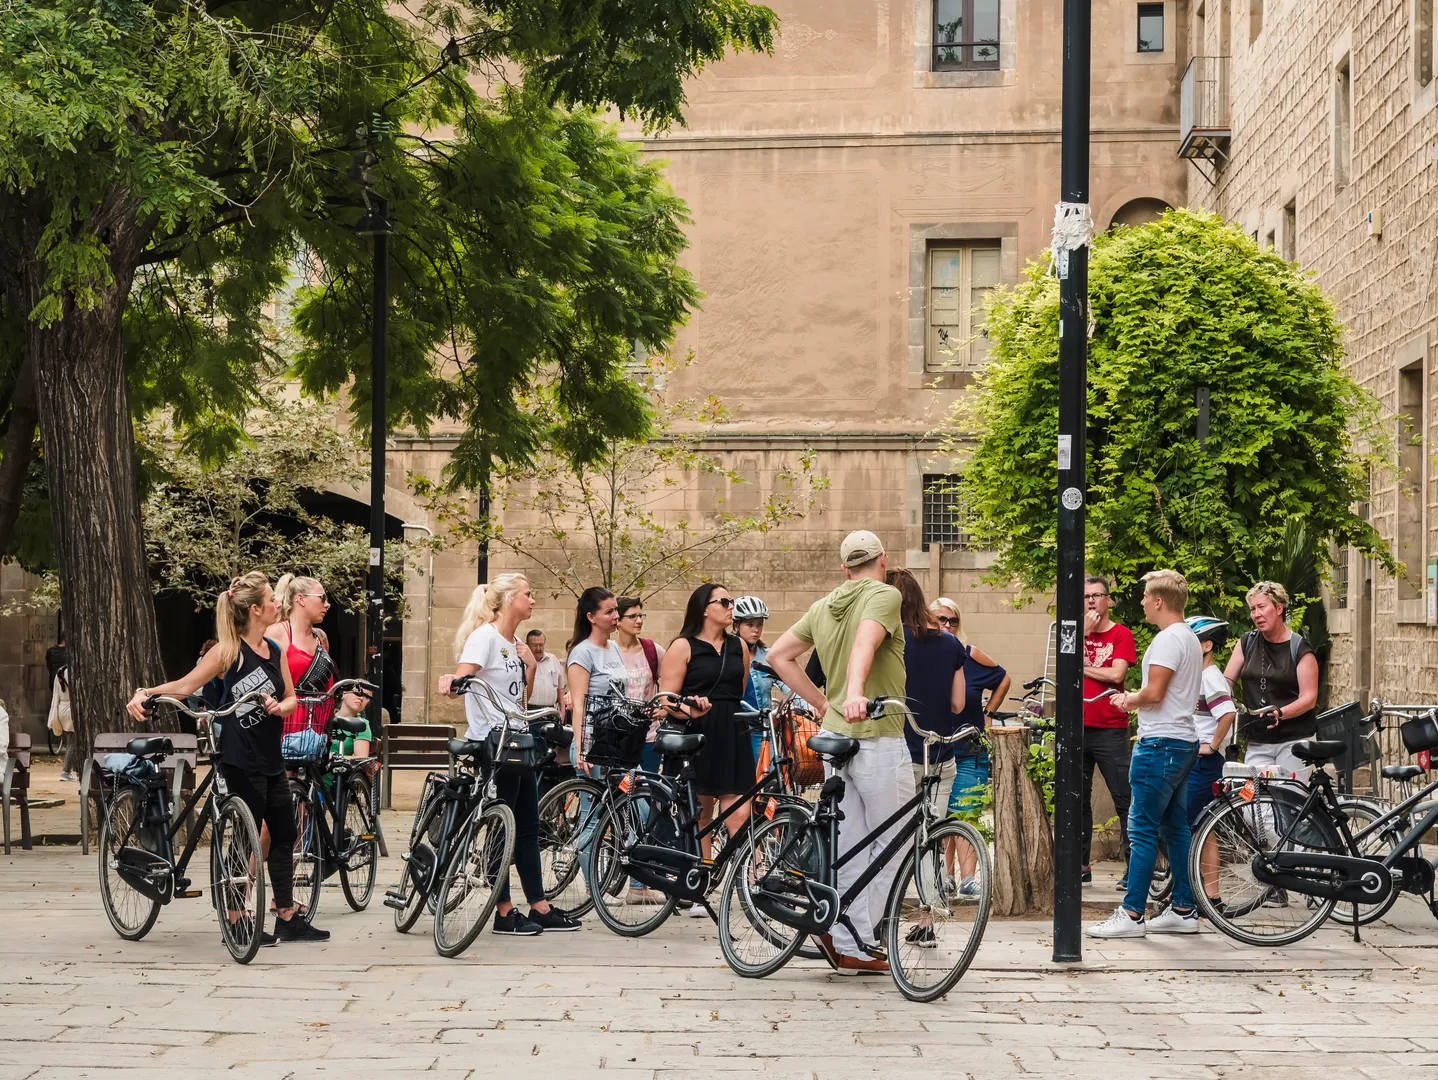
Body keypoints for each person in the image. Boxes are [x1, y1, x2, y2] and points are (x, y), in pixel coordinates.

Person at [125, 572, 326, 944]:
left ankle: (287, 916)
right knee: (245, 839)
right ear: (254, 609)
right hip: (239, 757)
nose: (277, 603)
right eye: (271, 599)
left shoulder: (274, 650)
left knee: (282, 834)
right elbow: (185, 686)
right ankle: (236, 919)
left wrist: (280, 707)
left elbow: (290, 697)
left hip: (271, 755)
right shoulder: (228, 652)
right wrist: (145, 692)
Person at [768, 530, 910, 975]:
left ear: (845, 568)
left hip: (836, 738)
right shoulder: (885, 595)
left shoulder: (823, 604)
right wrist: (853, 693)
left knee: (851, 842)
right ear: (883, 560)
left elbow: (778, 655)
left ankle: (848, 942)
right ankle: (867, 940)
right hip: (876, 735)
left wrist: (819, 701)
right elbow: (866, 643)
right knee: (894, 841)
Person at [440, 574, 579, 936]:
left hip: (518, 740)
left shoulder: (515, 642)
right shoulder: (483, 637)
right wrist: (449, 682)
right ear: (507, 599)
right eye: (528, 595)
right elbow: (462, 680)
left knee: (529, 827)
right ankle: (503, 912)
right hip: (493, 744)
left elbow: (518, 699)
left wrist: (530, 667)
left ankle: (540, 905)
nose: (533, 601)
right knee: (503, 827)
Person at [1087, 569, 1203, 938]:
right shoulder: (1189, 638)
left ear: (1158, 601)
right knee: (1175, 826)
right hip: (1182, 740)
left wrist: (1127, 699)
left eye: (1144, 597)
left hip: (1161, 743)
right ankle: (1184, 909)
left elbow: (1154, 694)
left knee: (1141, 827)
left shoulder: (1169, 640)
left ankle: (1133, 913)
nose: (1140, 603)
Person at [567, 587, 662, 906]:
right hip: (593, 745)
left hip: (617, 746)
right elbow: (578, 704)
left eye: (615, 611)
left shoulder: (612, 650)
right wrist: (581, 747)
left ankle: (638, 885)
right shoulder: (582, 652)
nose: (615, 616)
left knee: (641, 808)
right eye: (609, 612)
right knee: (592, 818)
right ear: (591, 617)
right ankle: (597, 888)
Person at [658, 584, 753, 879]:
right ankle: (703, 877)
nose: (730, 606)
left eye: (731, 601)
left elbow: (737, 690)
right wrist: (689, 708)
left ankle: (756, 879)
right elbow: (665, 699)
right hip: (696, 733)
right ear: (703, 609)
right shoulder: (683, 646)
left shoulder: (740, 647)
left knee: (739, 812)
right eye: (723, 601)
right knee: (701, 813)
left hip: (733, 730)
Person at [933, 598, 1010, 891]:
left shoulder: (969, 655)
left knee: (966, 809)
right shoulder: (926, 655)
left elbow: (1003, 678)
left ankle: (967, 879)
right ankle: (946, 877)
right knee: (943, 814)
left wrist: (989, 713)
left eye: (953, 620)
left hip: (968, 745)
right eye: (941, 619)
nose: (948, 625)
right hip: (936, 745)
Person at [1225, 581, 1319, 778]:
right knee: (1255, 805)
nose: (1256, 614)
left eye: (1261, 607)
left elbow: (1309, 698)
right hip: (1257, 741)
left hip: (1294, 740)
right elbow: (1226, 683)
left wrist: (1280, 713)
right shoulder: (1246, 643)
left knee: (1287, 800)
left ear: (1278, 608)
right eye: (1252, 609)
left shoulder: (1299, 648)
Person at [1081, 575, 1137, 889]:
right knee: (1077, 800)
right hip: (1077, 727)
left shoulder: (1120, 634)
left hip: (1110, 729)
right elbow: (1062, 663)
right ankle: (1080, 866)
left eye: (1097, 595)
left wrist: (1081, 666)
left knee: (1124, 799)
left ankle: (1134, 869)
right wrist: (1083, 634)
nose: (1091, 601)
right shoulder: (1075, 634)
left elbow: (1116, 673)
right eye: (1086, 596)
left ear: (1108, 600)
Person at [268, 575, 337, 739]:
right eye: (322, 598)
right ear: (301, 599)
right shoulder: (276, 633)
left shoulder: (321, 638)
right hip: (285, 729)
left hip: (319, 730)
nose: (327, 604)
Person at [1185, 617, 1235, 828]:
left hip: (1205, 763)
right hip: (1198, 760)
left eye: (1191, 641)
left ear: (1207, 645)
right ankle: (1203, 863)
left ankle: (1182, 863)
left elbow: (1227, 713)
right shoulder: (1200, 676)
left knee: (1187, 822)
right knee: (1204, 825)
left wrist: (1212, 746)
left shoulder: (1210, 677)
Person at [613, 597, 665, 774]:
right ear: (617, 621)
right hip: (616, 735)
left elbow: (670, 684)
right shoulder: (608, 652)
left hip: (648, 734)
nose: (639, 620)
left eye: (641, 615)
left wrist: (665, 708)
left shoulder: (653, 650)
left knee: (648, 790)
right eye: (633, 616)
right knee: (619, 793)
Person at [733, 595, 779, 766]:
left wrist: (811, 705)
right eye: (750, 624)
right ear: (736, 625)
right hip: (735, 729)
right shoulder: (726, 656)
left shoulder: (768, 657)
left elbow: (790, 684)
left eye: (759, 624)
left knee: (772, 775)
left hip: (763, 729)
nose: (756, 630)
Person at [525, 628, 570, 766]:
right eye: (535, 645)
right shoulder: (523, 662)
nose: (538, 648)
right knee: (535, 753)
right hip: (531, 714)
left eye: (541, 645)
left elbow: (561, 687)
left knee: (550, 754)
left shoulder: (553, 660)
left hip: (550, 713)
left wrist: (562, 711)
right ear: (528, 645)